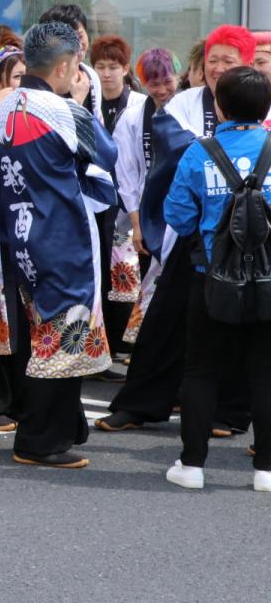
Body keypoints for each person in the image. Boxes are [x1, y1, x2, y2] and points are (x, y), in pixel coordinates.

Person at [98, 24, 258, 434]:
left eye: (229, 60)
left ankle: (229, 413)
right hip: (194, 235)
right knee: (165, 318)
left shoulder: (260, 103)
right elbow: (173, 150)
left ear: (247, 63)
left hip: (251, 238)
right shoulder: (184, 102)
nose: (219, 68)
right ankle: (140, 403)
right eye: (213, 60)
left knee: (242, 325)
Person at [0, 21, 117, 469]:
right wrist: (81, 105)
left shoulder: (4, 106)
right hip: (62, 235)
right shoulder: (62, 109)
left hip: (24, 234)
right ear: (64, 67)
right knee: (61, 340)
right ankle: (38, 440)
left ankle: (63, 428)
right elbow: (107, 153)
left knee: (45, 333)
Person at [162, 65, 271, 492]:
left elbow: (178, 216)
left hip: (212, 278)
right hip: (268, 280)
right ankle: (265, 469)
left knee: (202, 371)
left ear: (219, 106)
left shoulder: (198, 152)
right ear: (266, 109)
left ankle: (191, 466)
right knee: (265, 373)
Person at [113, 48, 179, 347]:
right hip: (151, 212)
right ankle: (149, 345)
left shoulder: (190, 107)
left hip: (183, 210)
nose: (163, 90)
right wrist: (138, 225)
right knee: (153, 279)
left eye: (167, 81)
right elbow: (126, 174)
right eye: (154, 84)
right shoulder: (134, 116)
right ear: (143, 82)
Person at [91, 35, 146, 374]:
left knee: (126, 278)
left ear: (126, 69)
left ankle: (121, 345)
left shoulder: (139, 105)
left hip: (128, 204)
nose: (107, 74)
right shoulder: (86, 102)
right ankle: (103, 347)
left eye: (113, 67)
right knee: (99, 275)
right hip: (96, 202)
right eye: (100, 67)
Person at [38, 4, 103, 121]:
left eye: (80, 36)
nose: (77, 44)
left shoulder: (90, 75)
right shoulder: (41, 80)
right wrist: (76, 102)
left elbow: (97, 122)